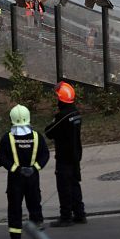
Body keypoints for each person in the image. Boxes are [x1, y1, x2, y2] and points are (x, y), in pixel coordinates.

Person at [0, 104, 50, 239]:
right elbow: (45, 154)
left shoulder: (7, 138)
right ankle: (38, 237)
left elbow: (2, 158)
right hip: (32, 178)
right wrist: (34, 168)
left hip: (15, 179)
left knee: (14, 208)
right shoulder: (37, 136)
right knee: (34, 206)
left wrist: (16, 168)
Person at [45, 81, 87, 227]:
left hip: (64, 157)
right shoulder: (76, 114)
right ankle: (80, 213)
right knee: (74, 184)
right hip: (76, 155)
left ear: (61, 99)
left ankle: (66, 217)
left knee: (64, 187)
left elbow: (49, 132)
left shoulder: (62, 116)